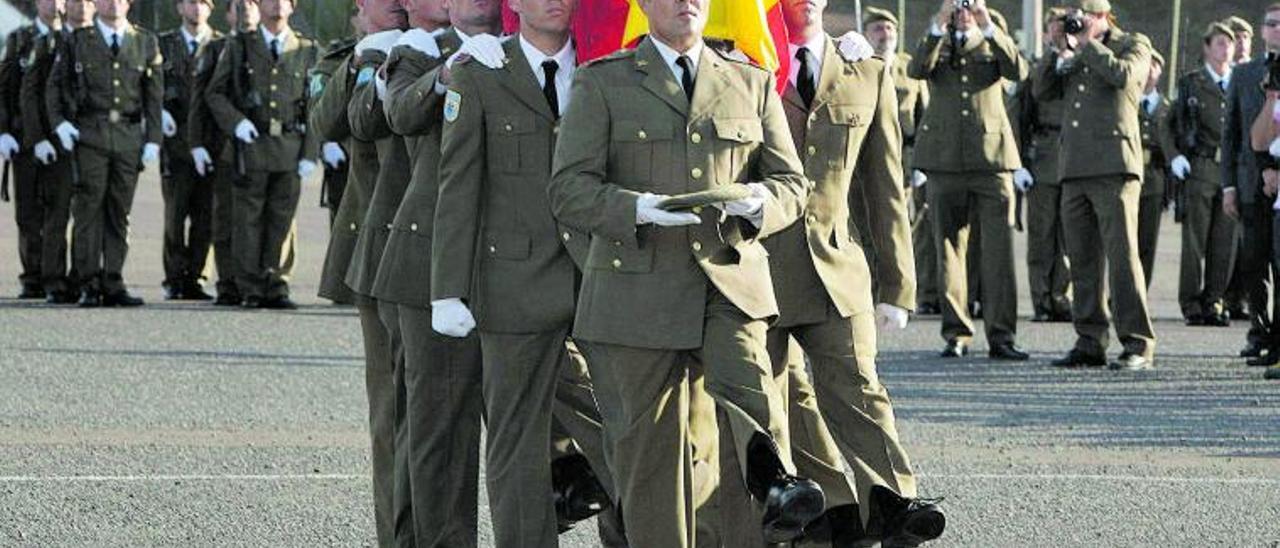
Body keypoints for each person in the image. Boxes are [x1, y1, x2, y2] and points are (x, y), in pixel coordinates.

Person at [548, 0, 824, 541]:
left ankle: (773, 480)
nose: (686, 3)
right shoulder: (603, 82)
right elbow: (568, 190)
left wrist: (760, 202)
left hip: (728, 280)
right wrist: (633, 209)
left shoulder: (750, 81)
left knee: (749, 403)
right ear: (644, 6)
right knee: (650, 457)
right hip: (637, 289)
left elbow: (793, 184)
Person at [760, 0, 946, 545]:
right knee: (780, 399)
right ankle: (831, 507)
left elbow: (884, 186)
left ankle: (893, 503)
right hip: (756, 269)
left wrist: (898, 284)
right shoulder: (742, 63)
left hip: (835, 269)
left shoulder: (865, 71)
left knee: (859, 389)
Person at [1035, 0, 1156, 370]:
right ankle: (1090, 338)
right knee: (1082, 260)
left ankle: (1137, 342)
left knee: (1121, 258)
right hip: (1073, 167)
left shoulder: (1131, 43)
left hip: (1114, 167)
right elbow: (1041, 91)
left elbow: (1124, 76)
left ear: (1102, 16)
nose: (1075, 21)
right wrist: (1057, 48)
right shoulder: (1071, 49)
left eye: (1081, 14)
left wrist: (1088, 43)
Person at [908, 0, 1029, 360]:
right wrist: (938, 24)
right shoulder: (937, 41)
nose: (963, 9)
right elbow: (917, 69)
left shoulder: (993, 39)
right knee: (947, 251)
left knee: (998, 253)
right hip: (944, 161)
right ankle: (956, 332)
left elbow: (1017, 70)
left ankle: (1002, 335)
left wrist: (987, 24)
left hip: (991, 160)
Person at [46, 0, 163, 307]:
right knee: (88, 209)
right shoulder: (76, 40)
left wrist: (153, 138)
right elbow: (54, 87)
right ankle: (87, 280)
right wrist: (60, 125)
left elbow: (154, 94)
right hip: (89, 134)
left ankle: (113, 279)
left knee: (118, 211)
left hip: (127, 137)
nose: (113, 4)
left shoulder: (145, 41)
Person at [204, 0, 319, 309]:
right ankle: (251, 285)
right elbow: (215, 93)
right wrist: (236, 122)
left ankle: (277, 283)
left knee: (283, 219)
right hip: (252, 144)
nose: (278, 5)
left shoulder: (307, 50)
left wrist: (311, 151)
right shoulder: (241, 45)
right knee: (248, 219)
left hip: (290, 146)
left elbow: (314, 104)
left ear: (293, 7)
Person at [18, 0, 95, 305]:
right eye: (77, 2)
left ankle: (84, 276)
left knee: (89, 214)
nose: (82, 7)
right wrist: (38, 138)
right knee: (57, 212)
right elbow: (30, 92)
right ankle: (53, 279)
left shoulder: (99, 43)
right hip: (56, 140)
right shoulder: (48, 42)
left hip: (92, 139)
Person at [1163, 22, 1238, 327]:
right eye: (1219, 43)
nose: (1225, 49)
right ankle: (1192, 302)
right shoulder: (1191, 83)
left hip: (1231, 169)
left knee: (1225, 240)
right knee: (1195, 240)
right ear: (1207, 47)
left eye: (1229, 44)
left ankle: (1215, 299)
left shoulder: (1241, 81)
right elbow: (1167, 124)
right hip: (1202, 166)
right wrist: (1175, 157)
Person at [864, 7, 937, 317]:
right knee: (868, 223)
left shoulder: (909, 69)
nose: (885, 35)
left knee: (909, 226)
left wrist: (922, 161)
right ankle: (871, 288)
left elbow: (925, 116)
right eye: (878, 30)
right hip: (865, 158)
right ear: (867, 34)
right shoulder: (857, 65)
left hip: (904, 156)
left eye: (890, 30)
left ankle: (908, 289)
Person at [188, 0, 260, 307]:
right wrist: (196, 143)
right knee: (226, 218)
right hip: (226, 148)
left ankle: (263, 279)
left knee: (267, 219)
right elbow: (200, 100)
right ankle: (229, 281)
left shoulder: (272, 47)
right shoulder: (217, 48)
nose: (246, 12)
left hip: (267, 148)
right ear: (228, 14)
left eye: (252, 5)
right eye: (239, 7)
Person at [1010, 7, 1073, 323]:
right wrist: (1018, 162)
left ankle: (1062, 296)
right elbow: (1020, 115)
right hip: (1044, 159)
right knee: (1041, 236)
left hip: (1076, 157)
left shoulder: (1081, 63)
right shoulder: (1039, 66)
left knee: (1071, 237)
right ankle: (1041, 299)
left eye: (1063, 28)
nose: (1059, 34)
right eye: (1053, 29)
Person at [1225, 3, 1280, 367]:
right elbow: (1232, 134)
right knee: (1254, 262)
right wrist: (1228, 185)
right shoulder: (1244, 74)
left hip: (1277, 179)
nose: (1277, 29)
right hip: (1249, 181)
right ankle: (1259, 332)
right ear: (1262, 31)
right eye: (1272, 24)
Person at [1, 0, 63, 300]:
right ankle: (32, 275)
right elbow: (4, 88)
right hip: (25, 138)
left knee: (59, 211)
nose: (55, 5)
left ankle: (56, 274)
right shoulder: (20, 39)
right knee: (28, 212)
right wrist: (2, 132)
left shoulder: (74, 38)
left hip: (62, 139)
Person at [158, 0, 220, 301]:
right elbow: (150, 82)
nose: (197, 9)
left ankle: (196, 276)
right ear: (179, 8)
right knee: (175, 214)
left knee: (205, 215)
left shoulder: (222, 45)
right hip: (175, 143)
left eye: (203, 3)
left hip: (210, 143)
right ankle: (174, 276)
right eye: (190, 3)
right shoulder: (164, 44)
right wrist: (159, 111)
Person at [1138, 50, 1171, 287]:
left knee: (1147, 242)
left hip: (1154, 179)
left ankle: (1141, 291)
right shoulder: (1125, 101)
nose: (1149, 71)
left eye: (1155, 65)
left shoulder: (1167, 108)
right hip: (1126, 176)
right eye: (1145, 65)